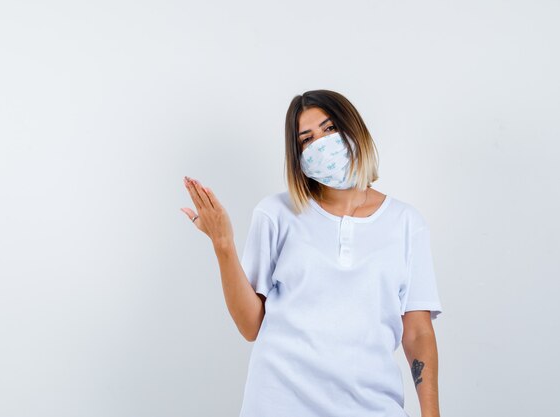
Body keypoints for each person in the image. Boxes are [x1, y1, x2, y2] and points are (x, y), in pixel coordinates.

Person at [180, 89, 443, 417]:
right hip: (279, 402)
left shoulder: (405, 223)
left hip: (372, 405)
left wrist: (431, 414)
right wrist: (223, 244)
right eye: (307, 138)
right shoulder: (276, 213)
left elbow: (417, 331)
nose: (321, 143)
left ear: (354, 130)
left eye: (330, 129)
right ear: (298, 155)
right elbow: (250, 326)